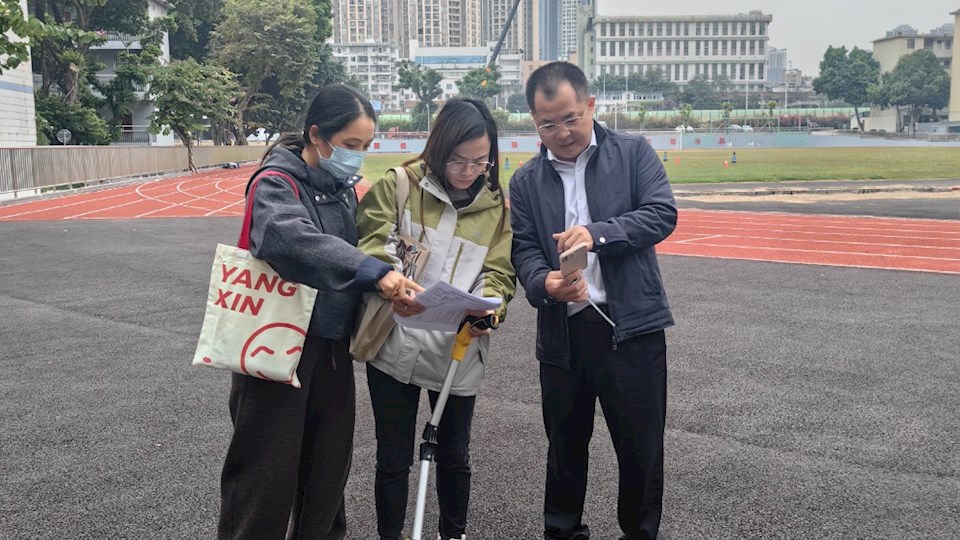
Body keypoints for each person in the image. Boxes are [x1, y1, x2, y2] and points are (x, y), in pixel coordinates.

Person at [217, 84, 421, 540]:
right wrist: (372, 271)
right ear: (317, 135)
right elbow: (291, 240)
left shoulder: (342, 190)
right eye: (350, 146)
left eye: (365, 147)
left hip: (332, 350)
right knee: (264, 481)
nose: (358, 157)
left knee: (328, 476)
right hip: (276, 349)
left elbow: (371, 243)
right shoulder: (275, 183)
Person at [508, 61, 677, 540]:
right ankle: (562, 533)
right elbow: (523, 250)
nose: (560, 132)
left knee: (641, 452)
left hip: (631, 328)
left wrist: (597, 235)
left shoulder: (632, 153)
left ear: (590, 106)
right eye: (547, 124)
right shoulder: (525, 181)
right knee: (564, 449)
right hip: (564, 333)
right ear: (533, 122)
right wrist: (545, 285)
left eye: (569, 118)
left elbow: (661, 214)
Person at [356, 98, 516, 540]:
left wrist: (491, 306)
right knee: (393, 457)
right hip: (395, 340)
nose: (467, 171)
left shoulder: (498, 208)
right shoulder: (399, 185)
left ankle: (453, 533)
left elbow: (499, 273)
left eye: (479, 162)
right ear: (437, 147)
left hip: (457, 347)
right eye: (457, 160)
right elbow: (369, 244)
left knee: (454, 454)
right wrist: (389, 281)